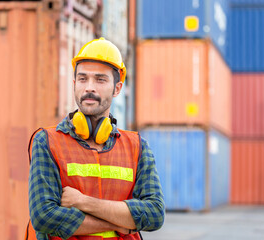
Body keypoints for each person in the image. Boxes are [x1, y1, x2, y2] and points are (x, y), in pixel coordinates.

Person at [26, 37, 165, 240]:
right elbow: (44, 217)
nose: (89, 87)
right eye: (83, 79)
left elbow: (154, 214)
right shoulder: (47, 142)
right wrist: (124, 222)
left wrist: (83, 202)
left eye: (100, 80)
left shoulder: (137, 147)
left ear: (117, 88)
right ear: (74, 84)